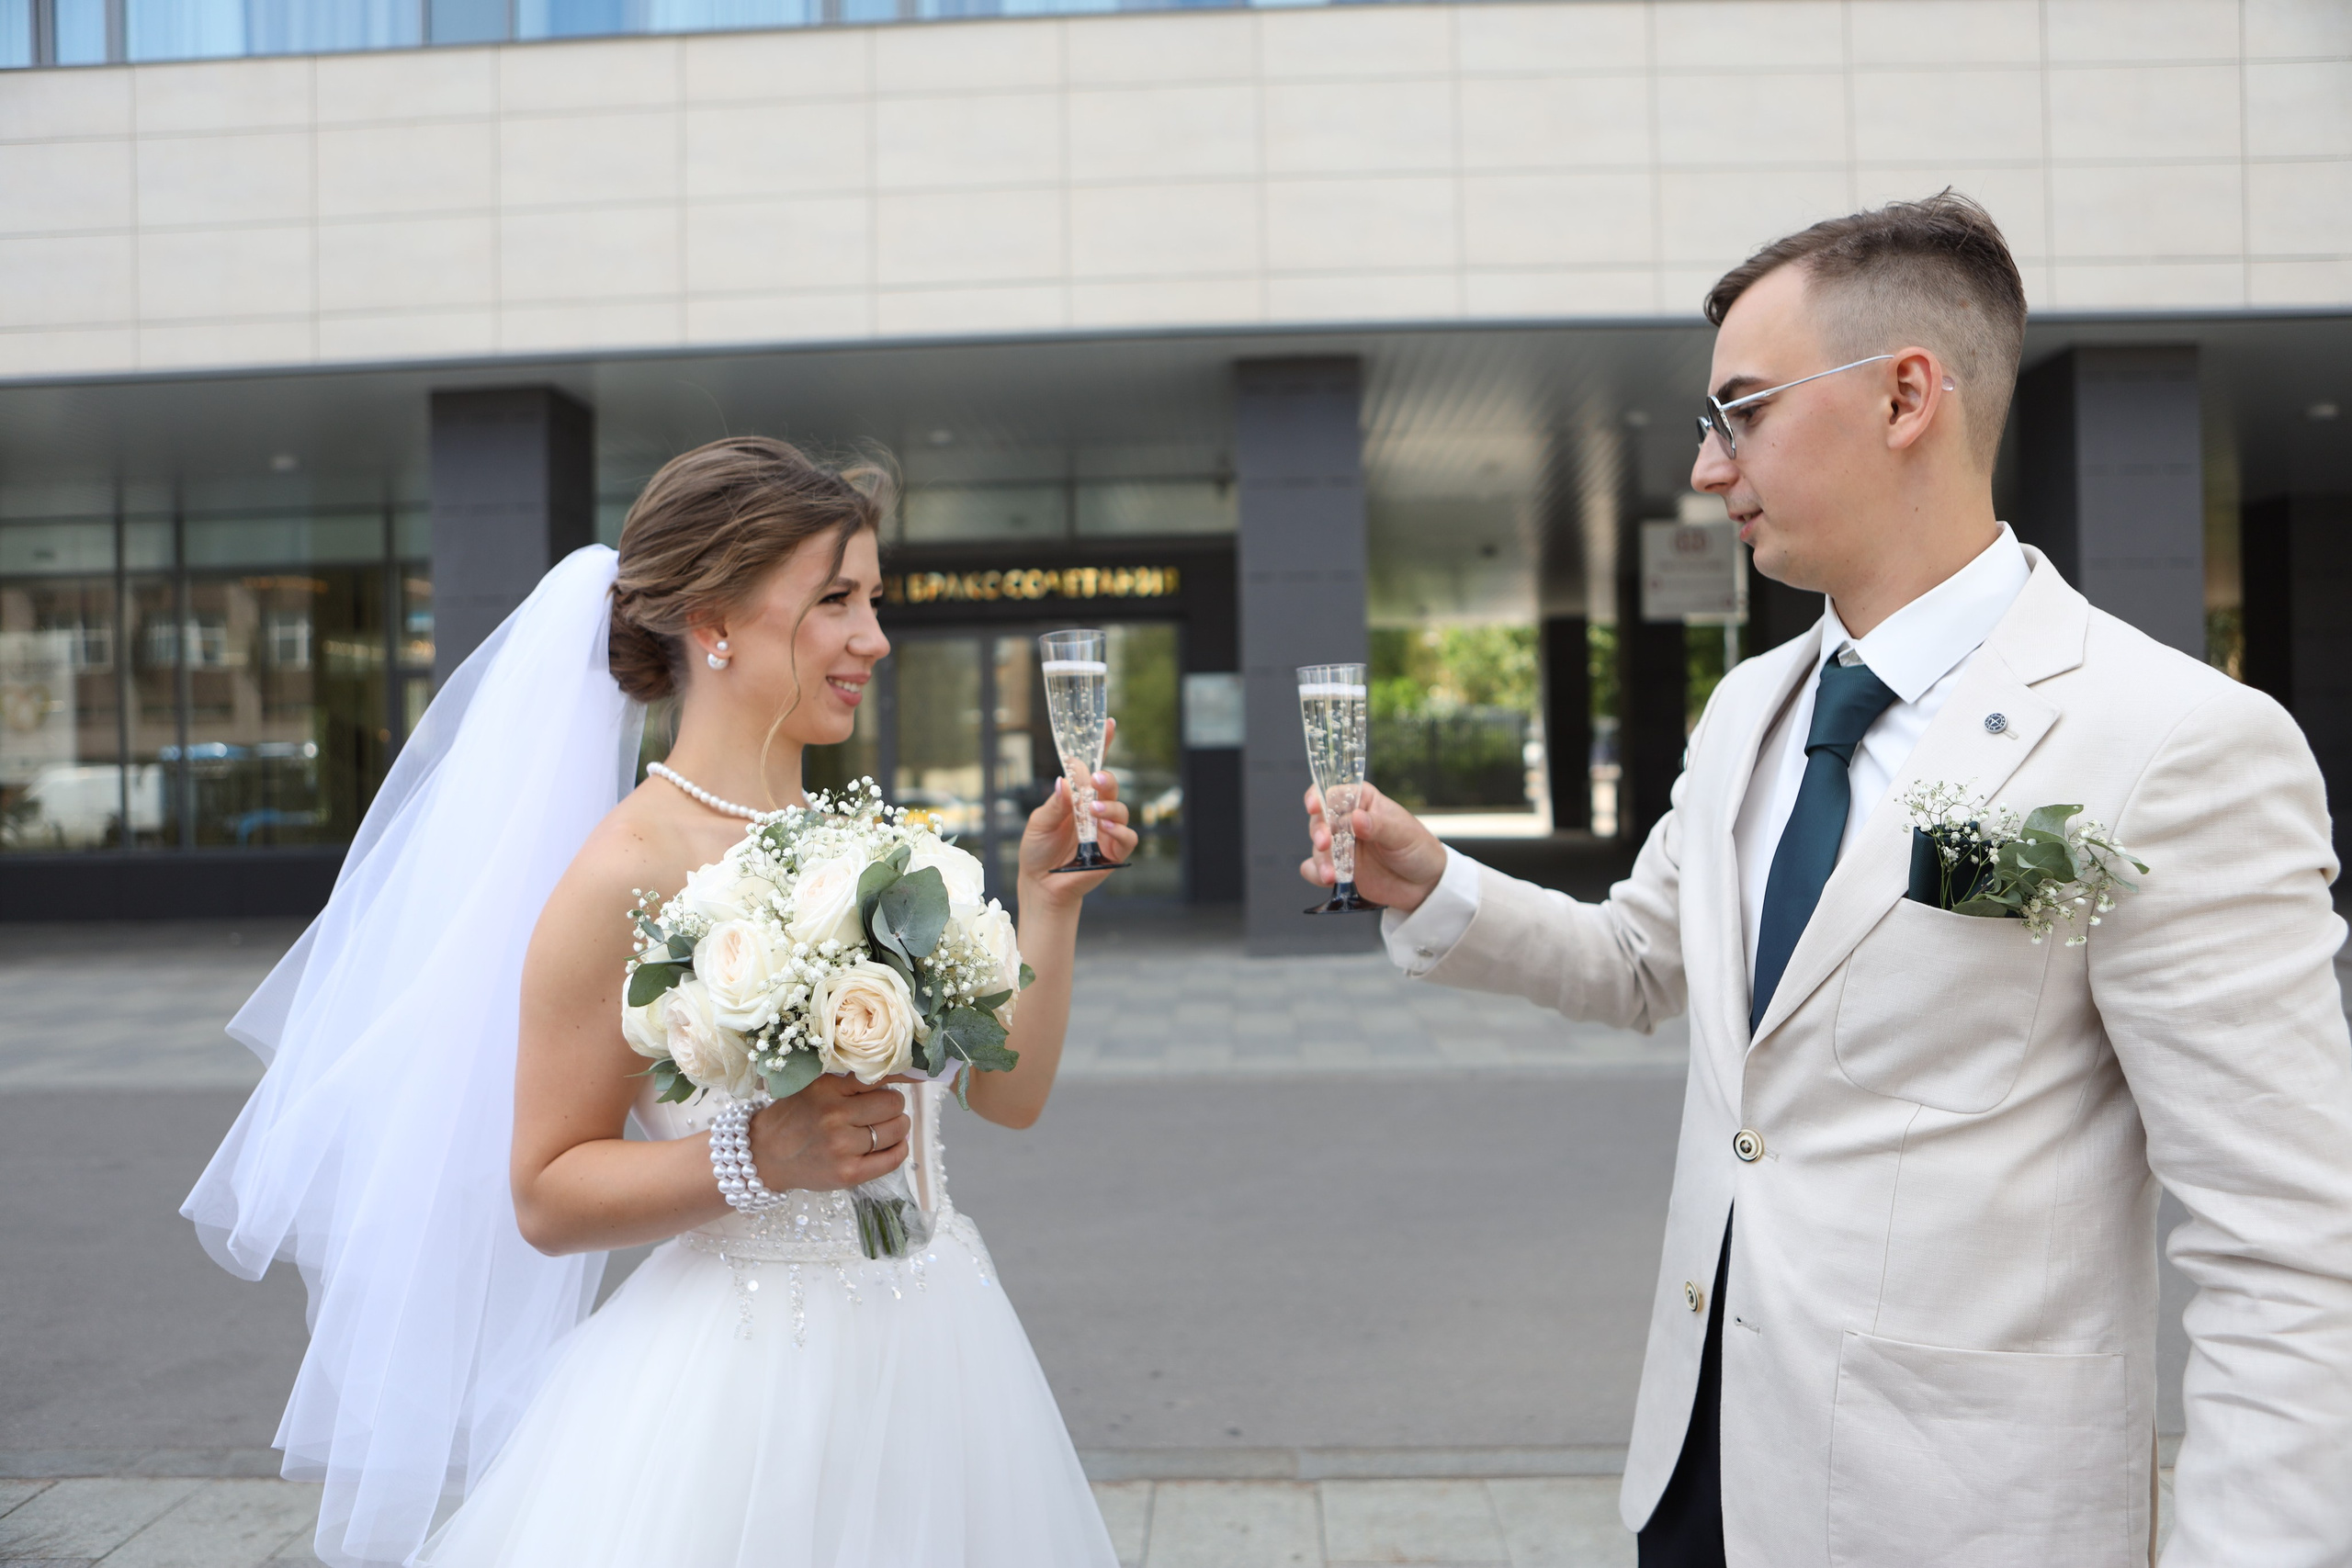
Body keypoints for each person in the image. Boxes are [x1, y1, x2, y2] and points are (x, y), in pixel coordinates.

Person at [1302, 194, 2352, 1567]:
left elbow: (2286, 1249)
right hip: (1698, 1478)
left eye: (1740, 410)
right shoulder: (1750, 707)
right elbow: (1642, 959)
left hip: (1959, 1517)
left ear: (1907, 393)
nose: (1704, 466)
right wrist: (1433, 879)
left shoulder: (2170, 743)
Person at [187, 437, 1131, 1568]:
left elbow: (1008, 1099)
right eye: (835, 600)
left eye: (873, 601)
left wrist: (1046, 903)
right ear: (715, 621)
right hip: (741, 1392)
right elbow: (545, 1190)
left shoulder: (874, 841)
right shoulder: (622, 872)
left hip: (945, 1349)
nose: (873, 639)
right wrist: (760, 1153)